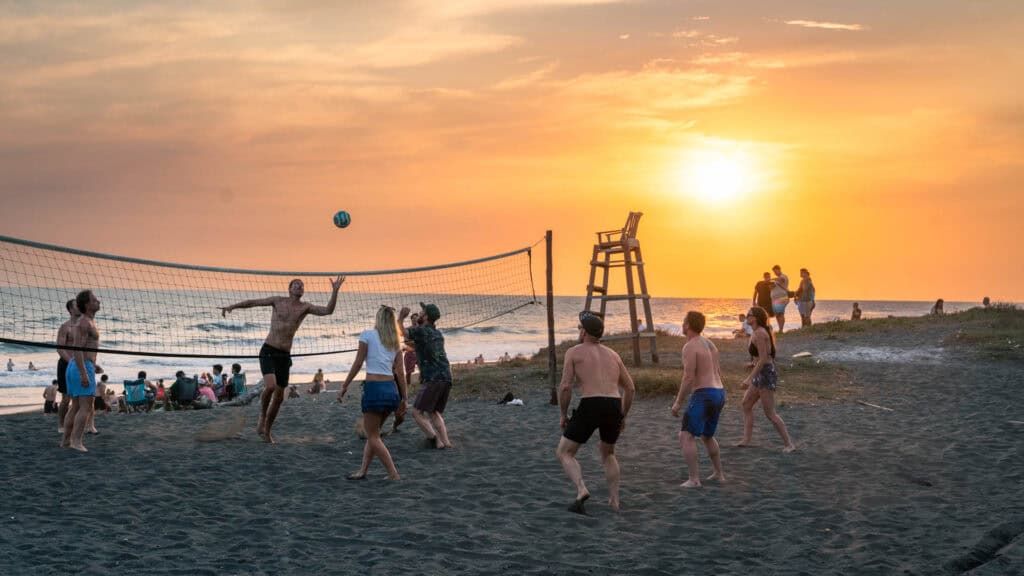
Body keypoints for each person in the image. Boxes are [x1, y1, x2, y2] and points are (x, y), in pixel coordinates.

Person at [220, 275, 345, 444]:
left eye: (301, 285)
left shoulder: (305, 307)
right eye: (296, 284)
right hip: (268, 350)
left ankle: (268, 432)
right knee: (270, 386)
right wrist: (232, 307)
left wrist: (335, 291)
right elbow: (253, 302)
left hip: (284, 355)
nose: (299, 287)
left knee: (279, 398)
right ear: (289, 289)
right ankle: (262, 416)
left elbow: (328, 311)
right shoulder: (277, 301)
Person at [556, 311, 635, 513]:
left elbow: (565, 387)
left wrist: (563, 415)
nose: (579, 330)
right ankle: (614, 501)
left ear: (585, 332)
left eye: (580, 327)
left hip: (591, 404)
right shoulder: (613, 355)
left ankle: (581, 489)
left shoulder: (573, 352)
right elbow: (630, 388)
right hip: (613, 404)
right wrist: (622, 416)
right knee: (608, 453)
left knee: (565, 452)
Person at [338, 305, 408, 480]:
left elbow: (358, 363)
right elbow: (400, 372)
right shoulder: (395, 342)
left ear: (378, 319)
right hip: (391, 392)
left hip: (375, 390)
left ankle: (393, 474)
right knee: (373, 434)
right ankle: (363, 471)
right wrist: (404, 398)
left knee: (373, 436)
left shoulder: (367, 335)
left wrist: (345, 385)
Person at [671, 311, 726, 488]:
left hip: (704, 394)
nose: (682, 325)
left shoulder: (689, 346)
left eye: (683, 322)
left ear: (687, 325)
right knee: (707, 435)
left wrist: (678, 401)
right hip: (719, 392)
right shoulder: (710, 344)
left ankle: (694, 479)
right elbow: (717, 372)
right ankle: (719, 474)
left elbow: (688, 377)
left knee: (685, 436)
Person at [736, 306, 796, 452]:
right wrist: (752, 364)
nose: (747, 316)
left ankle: (789, 444)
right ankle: (746, 440)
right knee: (746, 404)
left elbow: (764, 359)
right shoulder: (755, 332)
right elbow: (762, 358)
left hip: (766, 374)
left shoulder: (760, 333)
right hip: (761, 372)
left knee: (770, 413)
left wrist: (749, 378)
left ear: (755, 317)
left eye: (749, 314)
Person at [399, 303, 453, 449]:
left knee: (417, 412)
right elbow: (420, 346)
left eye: (422, 312)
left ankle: (436, 440)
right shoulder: (438, 334)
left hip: (432, 378)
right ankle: (446, 442)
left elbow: (403, 332)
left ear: (426, 316)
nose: (420, 313)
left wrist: (400, 318)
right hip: (446, 377)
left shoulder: (421, 331)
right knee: (433, 411)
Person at [61, 290, 101, 452]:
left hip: (78, 365)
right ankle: (76, 441)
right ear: (87, 304)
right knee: (86, 406)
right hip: (80, 366)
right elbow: (77, 350)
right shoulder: (84, 323)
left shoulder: (87, 322)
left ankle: (66, 441)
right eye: (95, 300)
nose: (98, 302)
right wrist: (84, 372)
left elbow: (84, 349)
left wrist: (92, 364)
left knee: (76, 406)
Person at [56, 299, 79, 433]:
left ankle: (81, 424)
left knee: (82, 398)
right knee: (66, 399)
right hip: (67, 364)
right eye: (77, 305)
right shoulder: (65, 327)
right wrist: (71, 362)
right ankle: (61, 425)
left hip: (82, 364)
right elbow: (60, 348)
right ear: (70, 309)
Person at [771, 265, 790, 333]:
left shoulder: (783, 276)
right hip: (775, 299)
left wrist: (774, 279)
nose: (775, 272)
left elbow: (782, 280)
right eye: (774, 271)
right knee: (777, 314)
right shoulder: (777, 278)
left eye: (775, 270)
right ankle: (780, 329)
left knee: (780, 314)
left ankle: (781, 330)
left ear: (779, 269)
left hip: (782, 298)